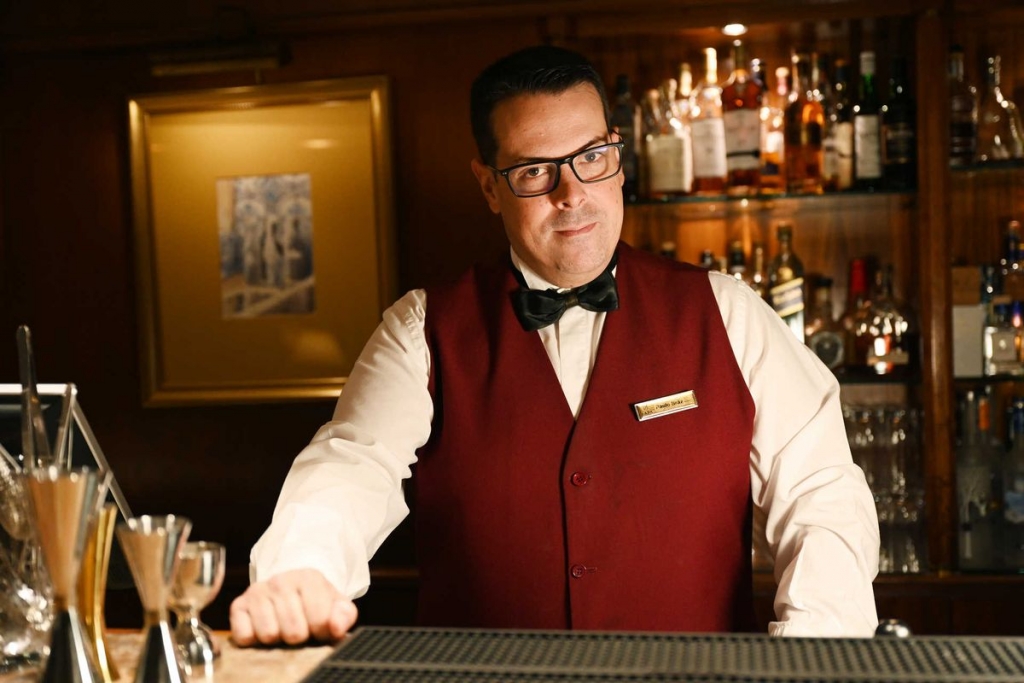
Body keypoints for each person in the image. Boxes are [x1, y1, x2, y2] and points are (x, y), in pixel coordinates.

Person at [229, 45, 880, 647]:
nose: (573, 195)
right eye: (535, 170)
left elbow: (820, 493)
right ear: (489, 186)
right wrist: (299, 574)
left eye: (592, 157)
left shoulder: (726, 311)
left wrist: (813, 650)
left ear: (617, 153)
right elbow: (351, 464)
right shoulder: (422, 330)